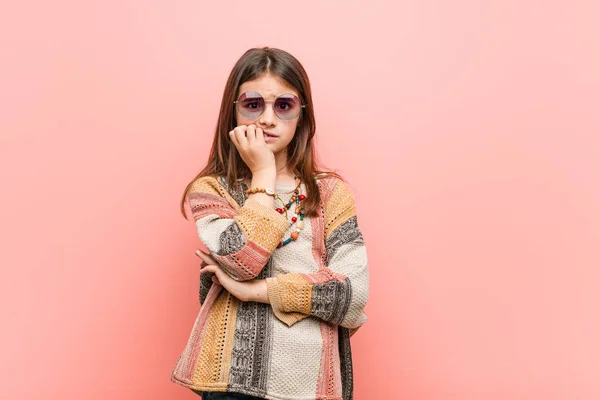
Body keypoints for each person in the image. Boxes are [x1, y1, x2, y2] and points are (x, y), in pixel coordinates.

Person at [171, 47, 369, 400]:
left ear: (302, 115)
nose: (267, 118)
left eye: (283, 105)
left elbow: (352, 293)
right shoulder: (213, 190)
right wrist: (263, 172)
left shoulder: (329, 193)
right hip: (231, 381)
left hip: (310, 382)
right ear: (233, 112)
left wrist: (254, 293)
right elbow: (243, 260)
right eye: (253, 104)